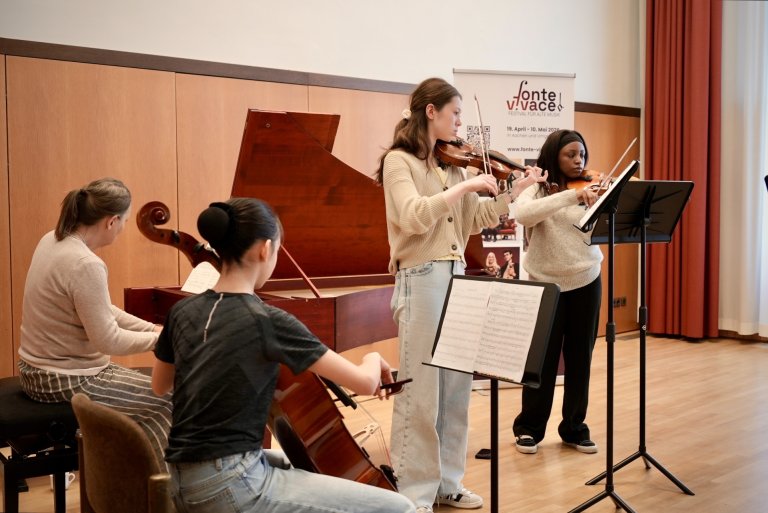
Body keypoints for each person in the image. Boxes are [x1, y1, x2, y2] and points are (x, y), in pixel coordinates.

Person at [151, 198, 415, 513]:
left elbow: (160, 385)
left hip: (180, 480)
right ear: (265, 249)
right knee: (399, 508)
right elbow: (364, 383)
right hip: (231, 483)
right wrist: (373, 357)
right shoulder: (266, 320)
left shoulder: (182, 311)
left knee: (292, 468)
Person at [375, 77, 547, 513]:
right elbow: (414, 217)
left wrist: (513, 190)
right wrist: (468, 185)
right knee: (420, 391)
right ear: (430, 112)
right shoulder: (400, 163)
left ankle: (448, 483)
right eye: (455, 113)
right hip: (422, 278)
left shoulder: (453, 166)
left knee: (455, 388)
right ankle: (414, 491)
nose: (460, 123)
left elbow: (476, 220)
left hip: (455, 275)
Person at [18, 177, 171, 468]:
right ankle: (161, 496)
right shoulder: (86, 264)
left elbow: (103, 310)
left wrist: (152, 329)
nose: (123, 228)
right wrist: (162, 340)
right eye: (125, 221)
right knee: (165, 400)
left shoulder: (53, 239)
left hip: (35, 370)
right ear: (112, 221)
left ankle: (139, 484)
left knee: (160, 391)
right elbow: (108, 340)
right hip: (61, 378)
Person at [512, 129, 602, 455]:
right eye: (571, 155)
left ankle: (575, 428)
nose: (579, 161)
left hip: (586, 279)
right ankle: (529, 428)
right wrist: (570, 196)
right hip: (545, 283)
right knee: (542, 360)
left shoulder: (593, 187)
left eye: (582, 154)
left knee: (581, 358)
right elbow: (521, 215)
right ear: (554, 156)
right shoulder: (536, 190)